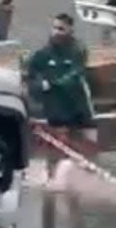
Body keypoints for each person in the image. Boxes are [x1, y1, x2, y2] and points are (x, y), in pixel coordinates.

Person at [26, 13, 98, 181]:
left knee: (89, 144)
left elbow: (75, 73)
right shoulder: (41, 55)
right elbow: (29, 79)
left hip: (80, 107)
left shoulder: (78, 51)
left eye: (61, 29)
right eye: (54, 28)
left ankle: (88, 177)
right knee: (57, 146)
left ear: (70, 31)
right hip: (57, 111)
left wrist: (54, 82)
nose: (56, 32)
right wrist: (39, 86)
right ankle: (51, 179)